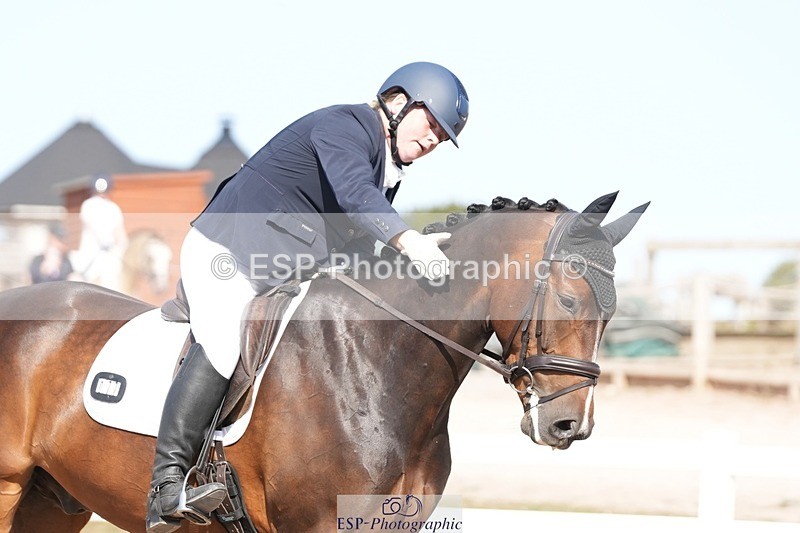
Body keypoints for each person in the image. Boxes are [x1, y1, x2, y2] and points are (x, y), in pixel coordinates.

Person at [146, 61, 469, 532]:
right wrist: (409, 240)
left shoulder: (388, 169)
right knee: (223, 341)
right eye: (432, 123)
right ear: (399, 102)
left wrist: (405, 264)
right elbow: (357, 198)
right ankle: (167, 485)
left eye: (442, 136)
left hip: (280, 271)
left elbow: (357, 243)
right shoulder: (345, 127)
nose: (433, 139)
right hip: (228, 251)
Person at [74, 175, 128, 291]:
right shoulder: (88, 205)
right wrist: (106, 240)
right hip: (91, 256)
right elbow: (93, 226)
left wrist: (122, 250)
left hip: (111, 256)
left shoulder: (114, 208)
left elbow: (121, 235)